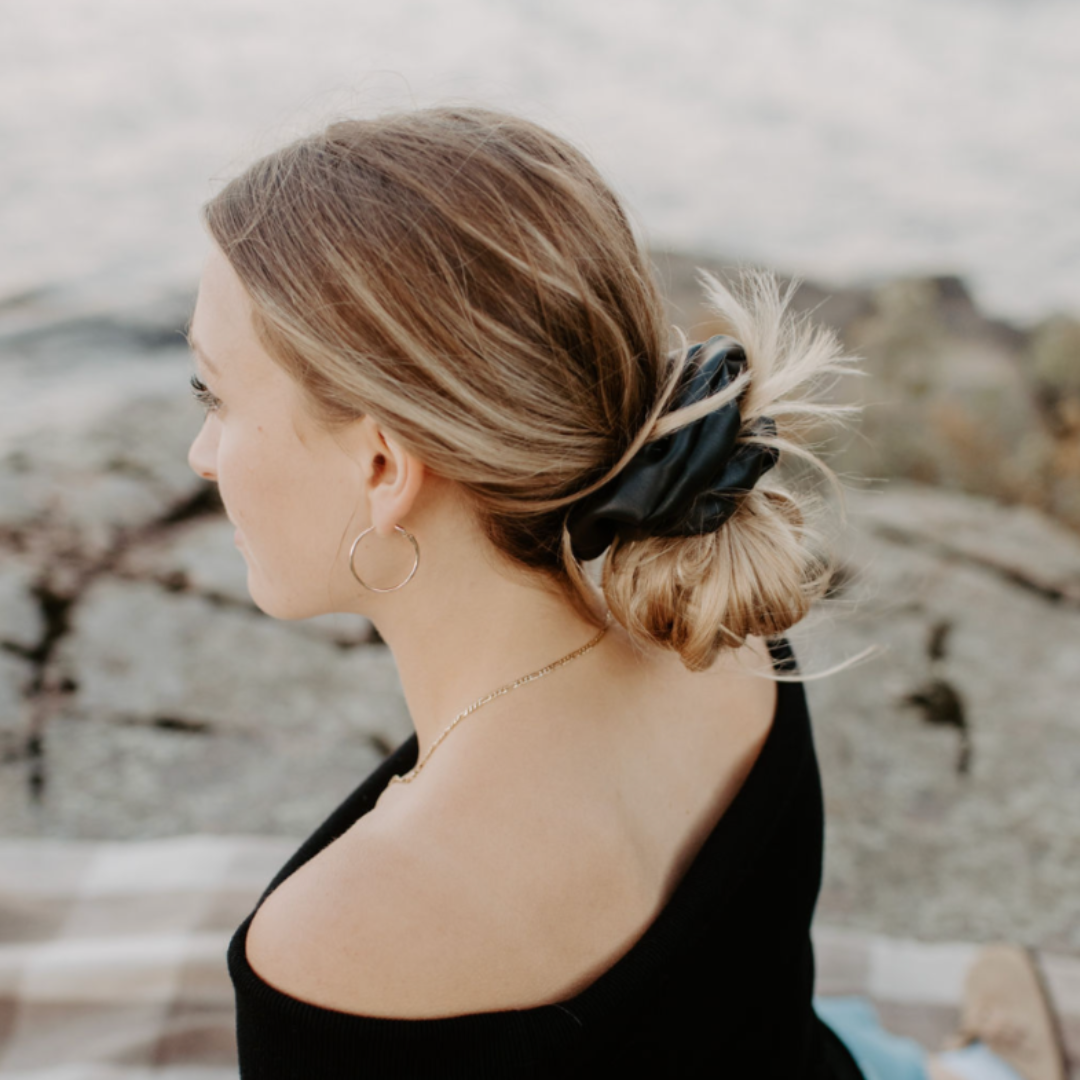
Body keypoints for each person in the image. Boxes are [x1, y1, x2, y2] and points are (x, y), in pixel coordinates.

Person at [185, 106, 1068, 1079]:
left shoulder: (337, 938)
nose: (201, 456)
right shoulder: (723, 638)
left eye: (215, 398)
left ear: (386, 465)